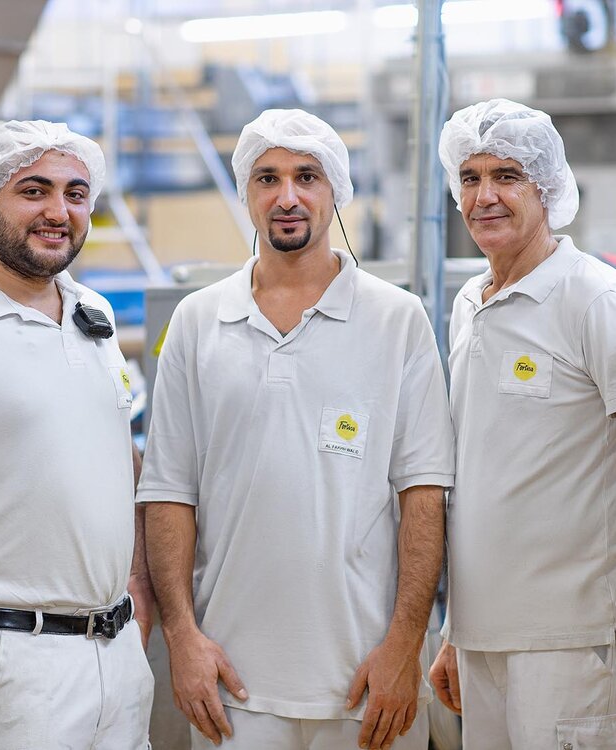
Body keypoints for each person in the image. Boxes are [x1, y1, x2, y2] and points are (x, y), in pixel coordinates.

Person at [138, 108, 454, 750]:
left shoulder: (397, 319)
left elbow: (422, 494)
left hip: (368, 682)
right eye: (267, 178)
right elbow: (169, 492)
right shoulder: (199, 322)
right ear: (245, 193)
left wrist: (404, 645)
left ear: (334, 190)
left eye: (306, 176)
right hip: (232, 683)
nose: (287, 196)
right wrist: (182, 639)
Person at [0, 120, 154, 748]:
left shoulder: (94, 313)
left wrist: (137, 590)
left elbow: (118, 459)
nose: (58, 211)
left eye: (75, 193)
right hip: (4, 664)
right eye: (33, 190)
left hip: (116, 658)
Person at [429, 98, 616, 749]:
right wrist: (457, 630)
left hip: (572, 643)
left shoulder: (592, 298)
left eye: (506, 175)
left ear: (547, 186)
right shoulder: (468, 305)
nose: (485, 195)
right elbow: (480, 479)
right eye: (470, 177)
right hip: (484, 641)